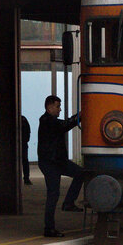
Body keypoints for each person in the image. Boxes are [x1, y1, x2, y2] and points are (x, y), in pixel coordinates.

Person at [36, 95, 87, 237]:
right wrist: (79, 116)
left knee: (80, 173)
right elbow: (64, 125)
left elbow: (63, 125)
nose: (60, 109)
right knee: (53, 194)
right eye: (58, 106)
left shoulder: (50, 121)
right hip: (50, 163)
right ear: (49, 107)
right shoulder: (47, 121)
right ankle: (49, 228)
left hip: (58, 161)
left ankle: (69, 202)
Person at [19, 114, 32, 184]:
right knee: (25, 161)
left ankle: (26, 178)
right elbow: (28, 131)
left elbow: (28, 131)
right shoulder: (23, 119)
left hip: (22, 143)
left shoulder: (22, 119)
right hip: (23, 143)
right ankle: (26, 178)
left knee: (24, 161)